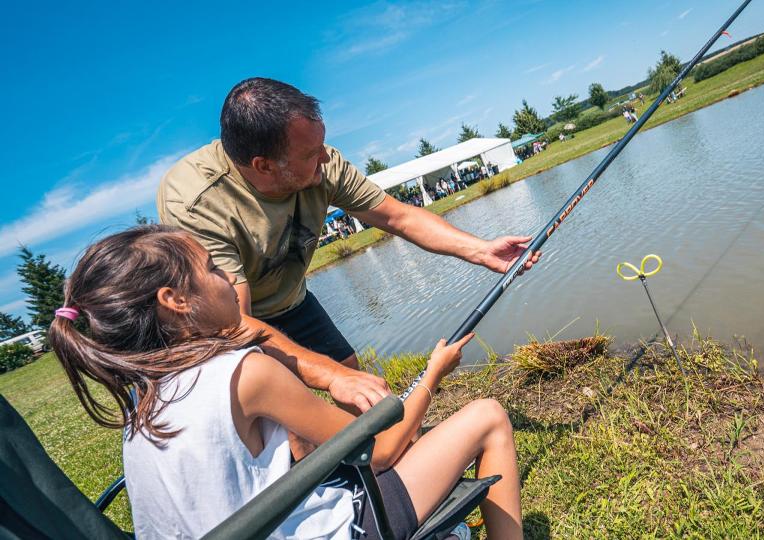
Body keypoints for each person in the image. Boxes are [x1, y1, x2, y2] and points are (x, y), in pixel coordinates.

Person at [48, 225, 523, 540]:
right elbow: (379, 452)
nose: (229, 279)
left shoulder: (142, 399)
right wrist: (432, 377)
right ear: (174, 300)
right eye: (213, 269)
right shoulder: (246, 372)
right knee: (488, 417)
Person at [157, 78, 541, 414]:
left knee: (352, 371)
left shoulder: (324, 164)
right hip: (227, 318)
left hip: (289, 298)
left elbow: (398, 217)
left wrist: (480, 250)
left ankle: (386, 461)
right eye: (310, 154)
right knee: (286, 410)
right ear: (264, 166)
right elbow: (235, 322)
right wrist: (329, 377)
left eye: (322, 144)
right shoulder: (196, 201)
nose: (326, 157)